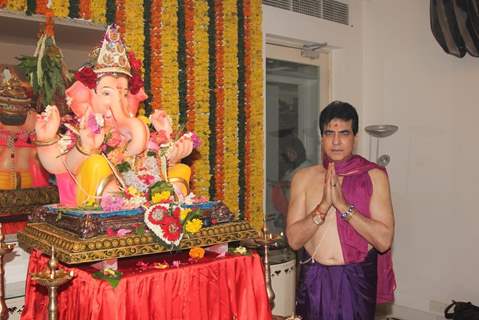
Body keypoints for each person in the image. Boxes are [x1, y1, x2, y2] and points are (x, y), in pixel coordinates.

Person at [286, 101, 396, 319]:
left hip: (355, 279)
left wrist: (344, 206)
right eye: (329, 133)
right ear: (322, 138)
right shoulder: (303, 178)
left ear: (355, 138)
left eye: (344, 133)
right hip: (313, 277)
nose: (336, 141)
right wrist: (323, 206)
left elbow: (383, 241)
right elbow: (294, 240)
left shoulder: (374, 177)